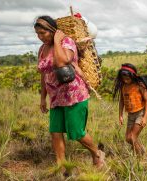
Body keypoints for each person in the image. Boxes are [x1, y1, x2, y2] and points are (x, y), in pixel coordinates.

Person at [34, 15, 104, 169]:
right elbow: (44, 75)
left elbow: (62, 61)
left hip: (74, 95)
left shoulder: (66, 42)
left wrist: (58, 41)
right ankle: (61, 165)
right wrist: (42, 98)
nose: (40, 37)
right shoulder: (42, 49)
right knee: (55, 131)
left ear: (53, 31)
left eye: (43, 33)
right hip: (55, 97)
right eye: (37, 34)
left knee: (76, 132)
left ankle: (97, 153)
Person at [113, 63, 147, 155]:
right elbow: (121, 101)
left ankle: (139, 158)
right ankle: (141, 151)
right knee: (128, 138)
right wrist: (120, 115)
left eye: (127, 78)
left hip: (140, 113)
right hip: (130, 115)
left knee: (132, 137)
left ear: (133, 76)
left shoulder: (140, 86)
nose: (125, 80)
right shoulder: (123, 87)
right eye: (123, 78)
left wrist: (145, 117)